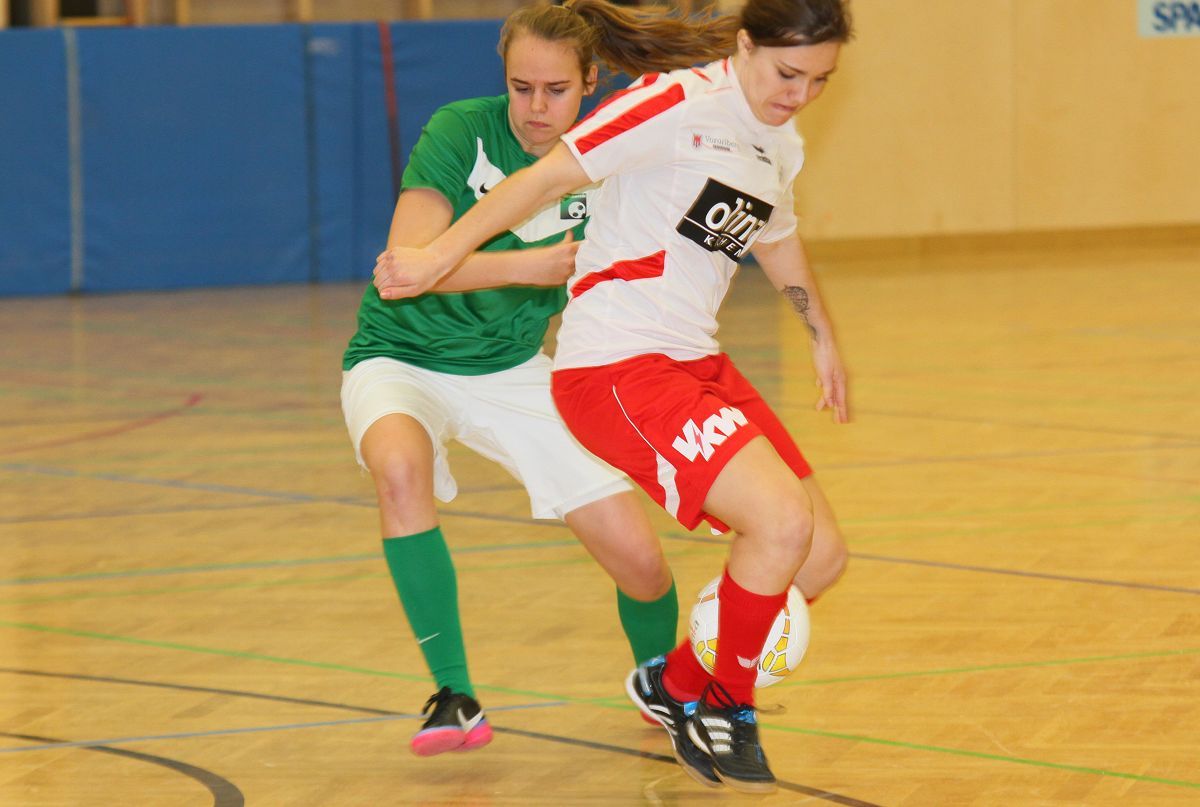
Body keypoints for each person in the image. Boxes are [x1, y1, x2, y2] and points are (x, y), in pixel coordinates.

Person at [371, 0, 854, 792]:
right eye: (787, 73)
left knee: (821, 552)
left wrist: (820, 332)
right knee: (780, 522)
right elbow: (541, 179)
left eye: (820, 81)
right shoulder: (675, 104)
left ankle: (678, 679)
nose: (799, 95)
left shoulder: (778, 139)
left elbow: (776, 237)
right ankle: (723, 706)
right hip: (619, 364)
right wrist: (435, 256)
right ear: (745, 47)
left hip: (696, 362)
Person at [341, 4, 680, 759]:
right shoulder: (459, 130)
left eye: (555, 90)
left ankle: (665, 683)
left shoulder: (611, 163)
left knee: (640, 558)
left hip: (515, 368)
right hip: (399, 357)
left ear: (590, 81)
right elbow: (404, 268)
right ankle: (452, 694)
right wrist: (529, 266)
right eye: (520, 87)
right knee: (399, 469)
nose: (534, 107)